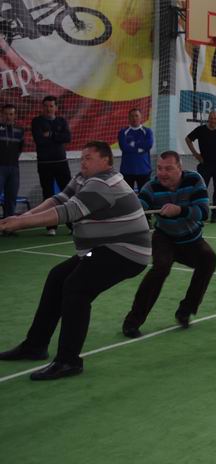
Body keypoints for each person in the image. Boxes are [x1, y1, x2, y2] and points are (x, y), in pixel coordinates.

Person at [0, 141, 150, 380]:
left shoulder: (104, 182)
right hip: (98, 250)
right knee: (58, 277)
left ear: (106, 161)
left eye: (88, 158)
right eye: (82, 158)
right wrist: (24, 216)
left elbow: (67, 212)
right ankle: (35, 345)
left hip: (125, 252)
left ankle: (68, 361)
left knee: (76, 287)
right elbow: (58, 200)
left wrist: (20, 223)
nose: (83, 162)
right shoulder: (82, 178)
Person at [122, 151, 216, 338]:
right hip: (164, 238)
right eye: (159, 168)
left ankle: (185, 311)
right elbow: (139, 206)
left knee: (209, 259)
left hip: (192, 239)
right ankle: (132, 322)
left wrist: (180, 210)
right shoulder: (151, 186)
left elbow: (204, 213)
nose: (162, 173)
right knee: (160, 268)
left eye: (168, 169)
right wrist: (128, 211)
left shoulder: (194, 180)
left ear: (180, 168)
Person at [32, 95, 72, 236]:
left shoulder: (61, 121)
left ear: (56, 108)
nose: (48, 109)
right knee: (48, 196)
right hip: (45, 164)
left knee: (68, 194)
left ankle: (72, 224)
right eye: (46, 106)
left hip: (61, 163)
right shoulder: (37, 121)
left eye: (51, 106)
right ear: (42, 107)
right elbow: (39, 140)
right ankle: (51, 226)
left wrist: (50, 135)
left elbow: (67, 137)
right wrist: (57, 136)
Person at [0, 103, 24, 231]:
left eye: (11, 114)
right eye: (6, 114)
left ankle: (8, 228)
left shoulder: (20, 131)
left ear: (15, 115)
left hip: (14, 169)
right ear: (1, 115)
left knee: (11, 198)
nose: (8, 117)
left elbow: (20, 149)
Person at [118, 108, 154, 191]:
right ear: (128, 118)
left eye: (136, 116)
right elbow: (124, 148)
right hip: (127, 170)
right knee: (127, 196)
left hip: (144, 170)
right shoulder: (123, 132)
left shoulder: (147, 131)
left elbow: (148, 145)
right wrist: (140, 149)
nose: (134, 118)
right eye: (132, 116)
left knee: (145, 195)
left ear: (141, 117)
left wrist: (132, 144)